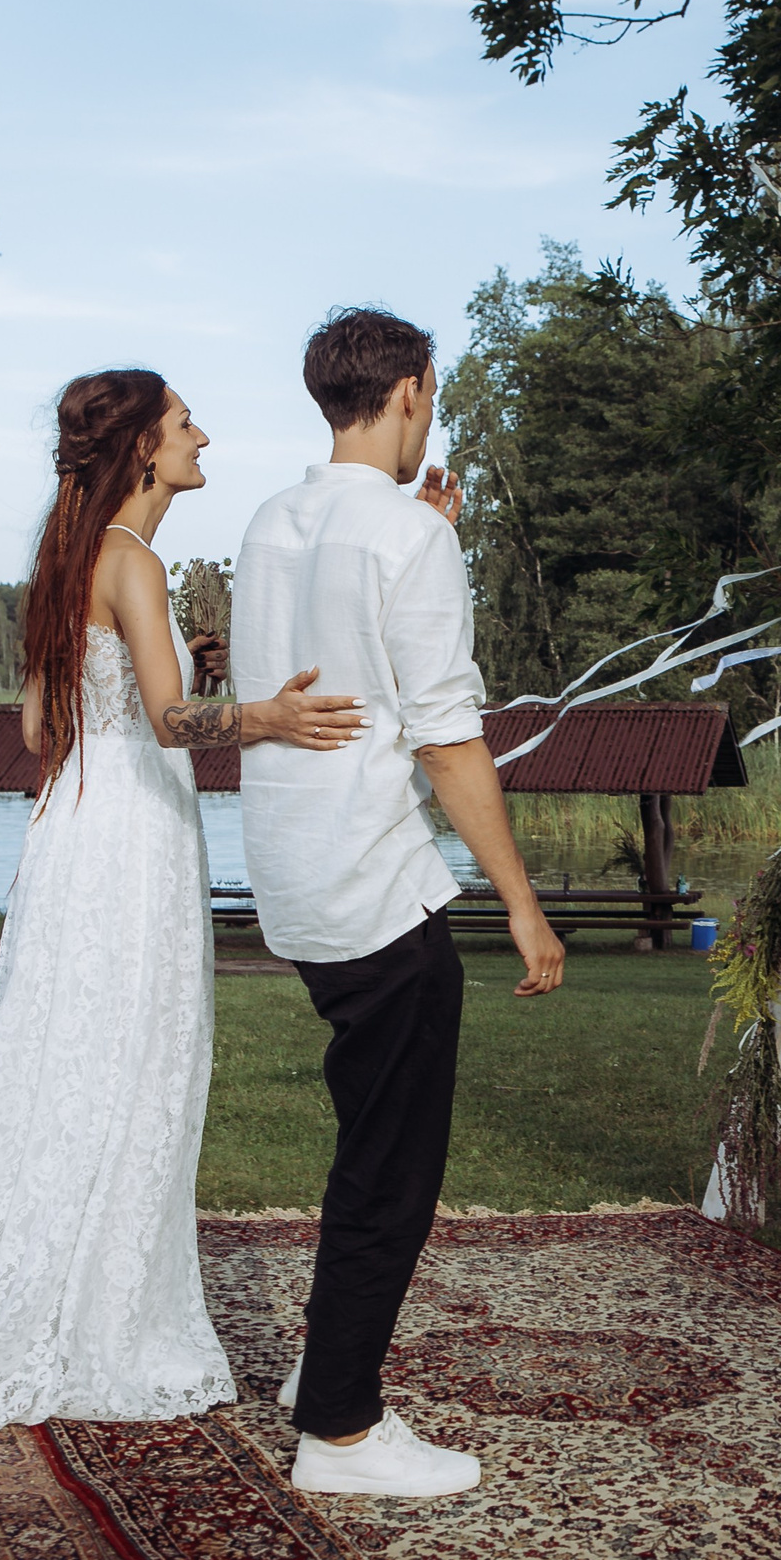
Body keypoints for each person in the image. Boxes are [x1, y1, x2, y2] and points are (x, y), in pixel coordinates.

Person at [0, 369, 364, 1429]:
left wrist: (178, 670)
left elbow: (42, 734)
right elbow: (173, 728)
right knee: (139, 1059)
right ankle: (102, 1316)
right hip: (130, 839)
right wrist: (261, 717)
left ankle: (42, 1269)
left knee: (66, 1055)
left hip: (71, 837)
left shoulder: (67, 558)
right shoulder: (132, 560)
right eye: (185, 424)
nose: (201, 436)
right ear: (141, 448)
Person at [235, 308, 566, 1499]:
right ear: (414, 392)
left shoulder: (272, 520)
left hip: (293, 875)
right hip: (376, 889)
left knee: (364, 1133)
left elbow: (328, 649)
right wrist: (521, 906)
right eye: (434, 387)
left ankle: (327, 1361)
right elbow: (447, 738)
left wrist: (423, 540)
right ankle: (339, 1433)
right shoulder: (410, 543)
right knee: (392, 1166)